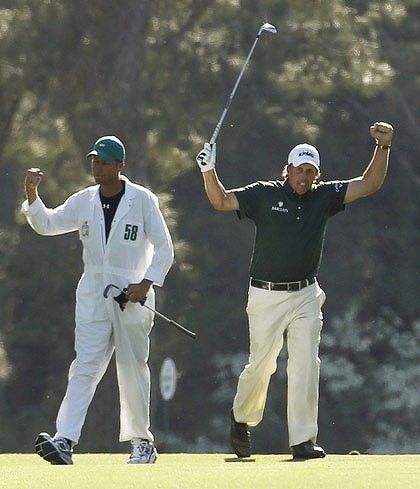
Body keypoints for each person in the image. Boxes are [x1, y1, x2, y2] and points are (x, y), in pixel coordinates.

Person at [196, 121, 393, 459]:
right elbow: (221, 201)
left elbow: (369, 183)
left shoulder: (324, 197)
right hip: (265, 294)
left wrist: (383, 146)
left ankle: (302, 440)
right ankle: (241, 419)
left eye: (309, 171)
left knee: (305, 364)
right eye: (298, 170)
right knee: (261, 365)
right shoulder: (265, 193)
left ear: (316, 174)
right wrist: (208, 170)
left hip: (305, 294)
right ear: (286, 170)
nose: (303, 177)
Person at [22, 135, 174, 465]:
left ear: (120, 166)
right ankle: (64, 440)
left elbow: (165, 248)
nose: (97, 167)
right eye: (94, 160)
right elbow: (48, 223)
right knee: (85, 367)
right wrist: (33, 195)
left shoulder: (143, 200)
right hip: (93, 294)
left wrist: (145, 283)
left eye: (104, 162)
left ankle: (141, 443)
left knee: (132, 369)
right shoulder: (84, 200)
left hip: (133, 296)